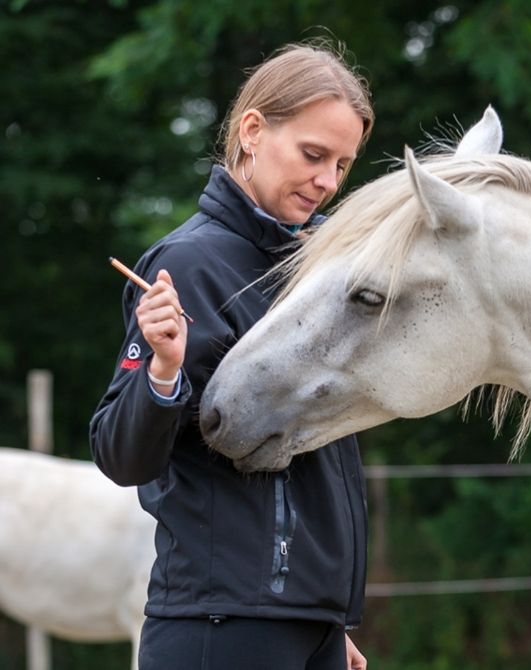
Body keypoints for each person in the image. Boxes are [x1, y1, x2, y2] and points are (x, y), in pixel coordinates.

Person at [90, 41, 374, 670]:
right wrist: (162, 371)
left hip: (307, 624)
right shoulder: (188, 264)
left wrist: (322, 618)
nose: (328, 182)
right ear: (252, 132)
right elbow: (119, 453)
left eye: (343, 165)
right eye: (313, 154)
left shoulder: (312, 271)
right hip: (219, 629)